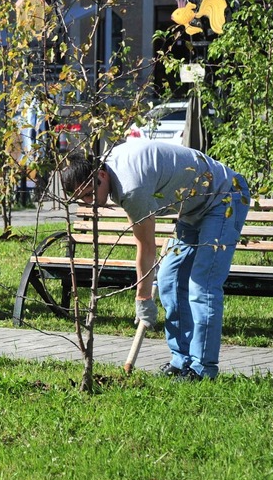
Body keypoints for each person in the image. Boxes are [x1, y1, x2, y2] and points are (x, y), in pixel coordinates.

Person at [59, 140, 250, 380]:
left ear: (101, 174)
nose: (90, 202)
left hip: (224, 196)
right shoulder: (110, 167)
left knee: (203, 283)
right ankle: (182, 361)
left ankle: (203, 369)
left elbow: (146, 246)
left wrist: (143, 297)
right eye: (82, 199)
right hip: (192, 207)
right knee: (169, 278)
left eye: (89, 194)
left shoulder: (130, 188)